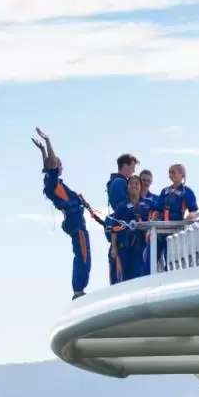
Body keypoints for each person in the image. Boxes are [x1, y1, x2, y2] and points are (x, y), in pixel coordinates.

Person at [32, 128, 106, 300]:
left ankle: (78, 289)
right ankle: (79, 290)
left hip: (75, 222)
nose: (59, 164)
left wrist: (42, 150)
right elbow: (51, 165)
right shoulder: (52, 184)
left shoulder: (54, 184)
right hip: (76, 224)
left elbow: (49, 165)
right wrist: (48, 142)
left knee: (82, 254)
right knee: (83, 255)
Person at [110, 174, 153, 282]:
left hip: (142, 247)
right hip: (125, 247)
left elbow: (159, 212)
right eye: (131, 184)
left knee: (140, 275)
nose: (134, 186)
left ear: (140, 186)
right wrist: (114, 247)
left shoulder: (149, 204)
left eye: (137, 183)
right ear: (127, 187)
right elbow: (114, 228)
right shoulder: (121, 206)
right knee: (124, 277)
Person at [155, 163, 199, 268]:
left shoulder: (186, 191)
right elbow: (157, 210)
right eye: (169, 172)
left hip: (174, 229)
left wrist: (189, 218)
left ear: (182, 174)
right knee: (151, 258)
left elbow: (193, 210)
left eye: (173, 172)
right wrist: (149, 229)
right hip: (160, 229)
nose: (171, 175)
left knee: (169, 259)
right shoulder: (164, 191)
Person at [105, 153, 138, 284]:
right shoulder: (119, 182)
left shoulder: (117, 182)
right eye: (132, 167)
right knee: (121, 275)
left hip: (124, 235)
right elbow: (122, 207)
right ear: (125, 166)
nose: (133, 171)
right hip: (123, 236)